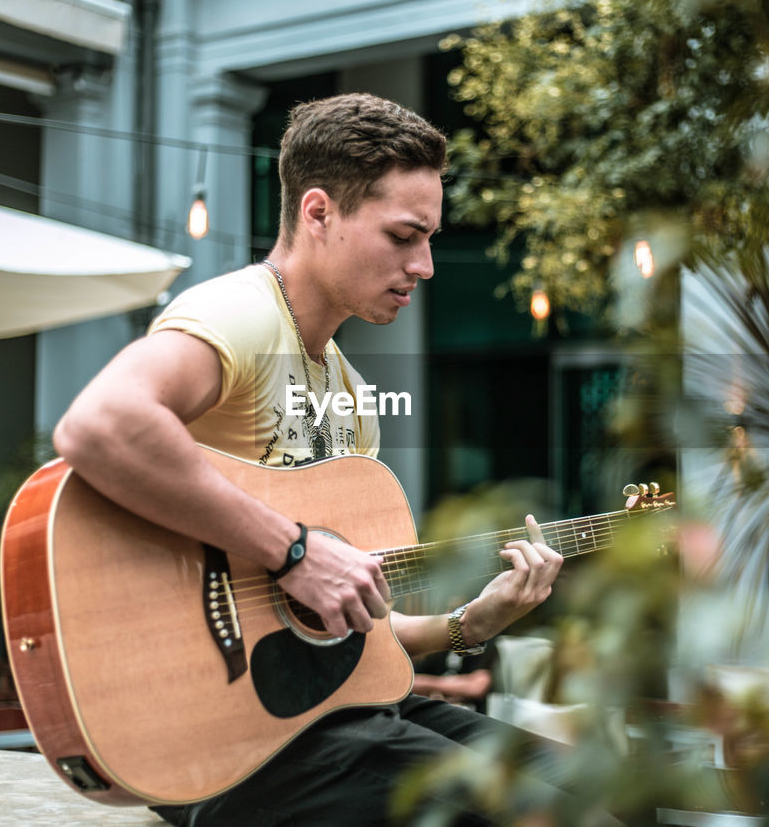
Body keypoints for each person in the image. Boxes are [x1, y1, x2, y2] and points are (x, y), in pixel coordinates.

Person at [52, 93, 566, 825]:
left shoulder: (352, 396)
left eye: (429, 239)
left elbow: (356, 634)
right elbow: (100, 423)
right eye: (403, 236)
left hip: (329, 717)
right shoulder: (243, 312)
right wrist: (292, 549)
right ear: (318, 212)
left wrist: (467, 625)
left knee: (587, 787)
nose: (423, 265)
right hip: (222, 745)